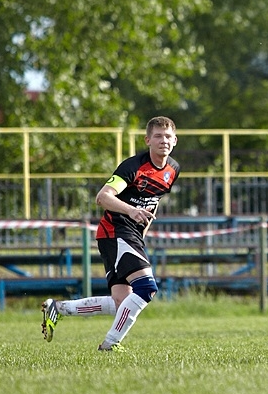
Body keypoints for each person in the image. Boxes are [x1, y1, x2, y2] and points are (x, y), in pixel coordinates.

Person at [40, 116, 180, 351]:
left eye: (168, 136)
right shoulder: (133, 167)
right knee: (147, 288)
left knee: (122, 302)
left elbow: (153, 202)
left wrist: (142, 234)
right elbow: (103, 197)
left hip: (128, 235)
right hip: (116, 231)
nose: (163, 140)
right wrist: (131, 211)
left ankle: (58, 308)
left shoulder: (173, 169)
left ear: (175, 140)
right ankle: (110, 344)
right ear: (147, 140)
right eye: (157, 136)